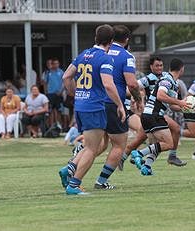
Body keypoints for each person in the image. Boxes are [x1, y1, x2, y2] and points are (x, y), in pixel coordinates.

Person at [60, 24, 125, 195]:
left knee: (91, 145)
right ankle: (74, 185)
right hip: (94, 106)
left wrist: (75, 93)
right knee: (92, 148)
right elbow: (108, 85)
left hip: (80, 106)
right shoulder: (105, 58)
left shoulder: (83, 55)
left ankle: (70, 170)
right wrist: (120, 105)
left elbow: (66, 76)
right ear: (110, 41)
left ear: (96, 38)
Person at [92, 25, 142, 189]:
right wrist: (138, 98)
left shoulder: (99, 52)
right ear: (127, 39)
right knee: (119, 145)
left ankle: (71, 167)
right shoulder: (126, 56)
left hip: (95, 102)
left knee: (98, 144)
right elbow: (132, 83)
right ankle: (101, 181)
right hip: (114, 104)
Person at [119, 57, 187, 170]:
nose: (159, 67)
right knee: (167, 141)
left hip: (152, 114)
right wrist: (133, 98)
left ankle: (147, 166)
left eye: (161, 65)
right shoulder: (161, 79)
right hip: (153, 113)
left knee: (156, 144)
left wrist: (186, 108)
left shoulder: (173, 81)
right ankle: (139, 154)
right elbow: (136, 87)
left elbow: (172, 106)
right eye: (157, 65)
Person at [42, 57, 64, 128]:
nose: (55, 65)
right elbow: (45, 83)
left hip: (58, 94)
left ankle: (59, 126)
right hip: (50, 94)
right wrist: (46, 92)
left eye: (57, 63)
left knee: (59, 111)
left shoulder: (61, 72)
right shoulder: (48, 72)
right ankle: (51, 126)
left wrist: (61, 91)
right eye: (54, 64)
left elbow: (64, 82)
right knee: (50, 111)